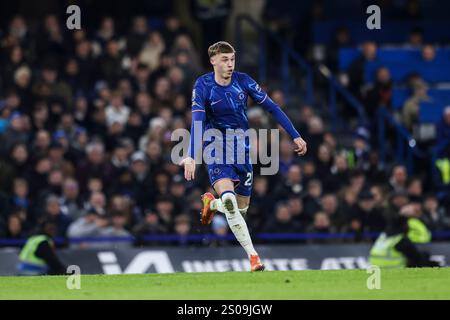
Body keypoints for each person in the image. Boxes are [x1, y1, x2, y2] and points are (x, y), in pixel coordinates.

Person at [180, 41, 307, 272]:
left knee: (240, 209)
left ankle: (212, 203)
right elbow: (197, 121)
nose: (230, 64)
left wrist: (294, 135)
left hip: (241, 149)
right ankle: (254, 257)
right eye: (225, 60)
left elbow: (273, 108)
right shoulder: (203, 85)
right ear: (213, 61)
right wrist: (191, 155)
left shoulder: (244, 81)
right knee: (230, 202)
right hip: (215, 147)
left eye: (232, 59)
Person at [368, 203, 439, 268]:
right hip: (392, 274)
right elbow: (418, 260)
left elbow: (394, 221)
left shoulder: (384, 236)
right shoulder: (402, 241)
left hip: (374, 274)